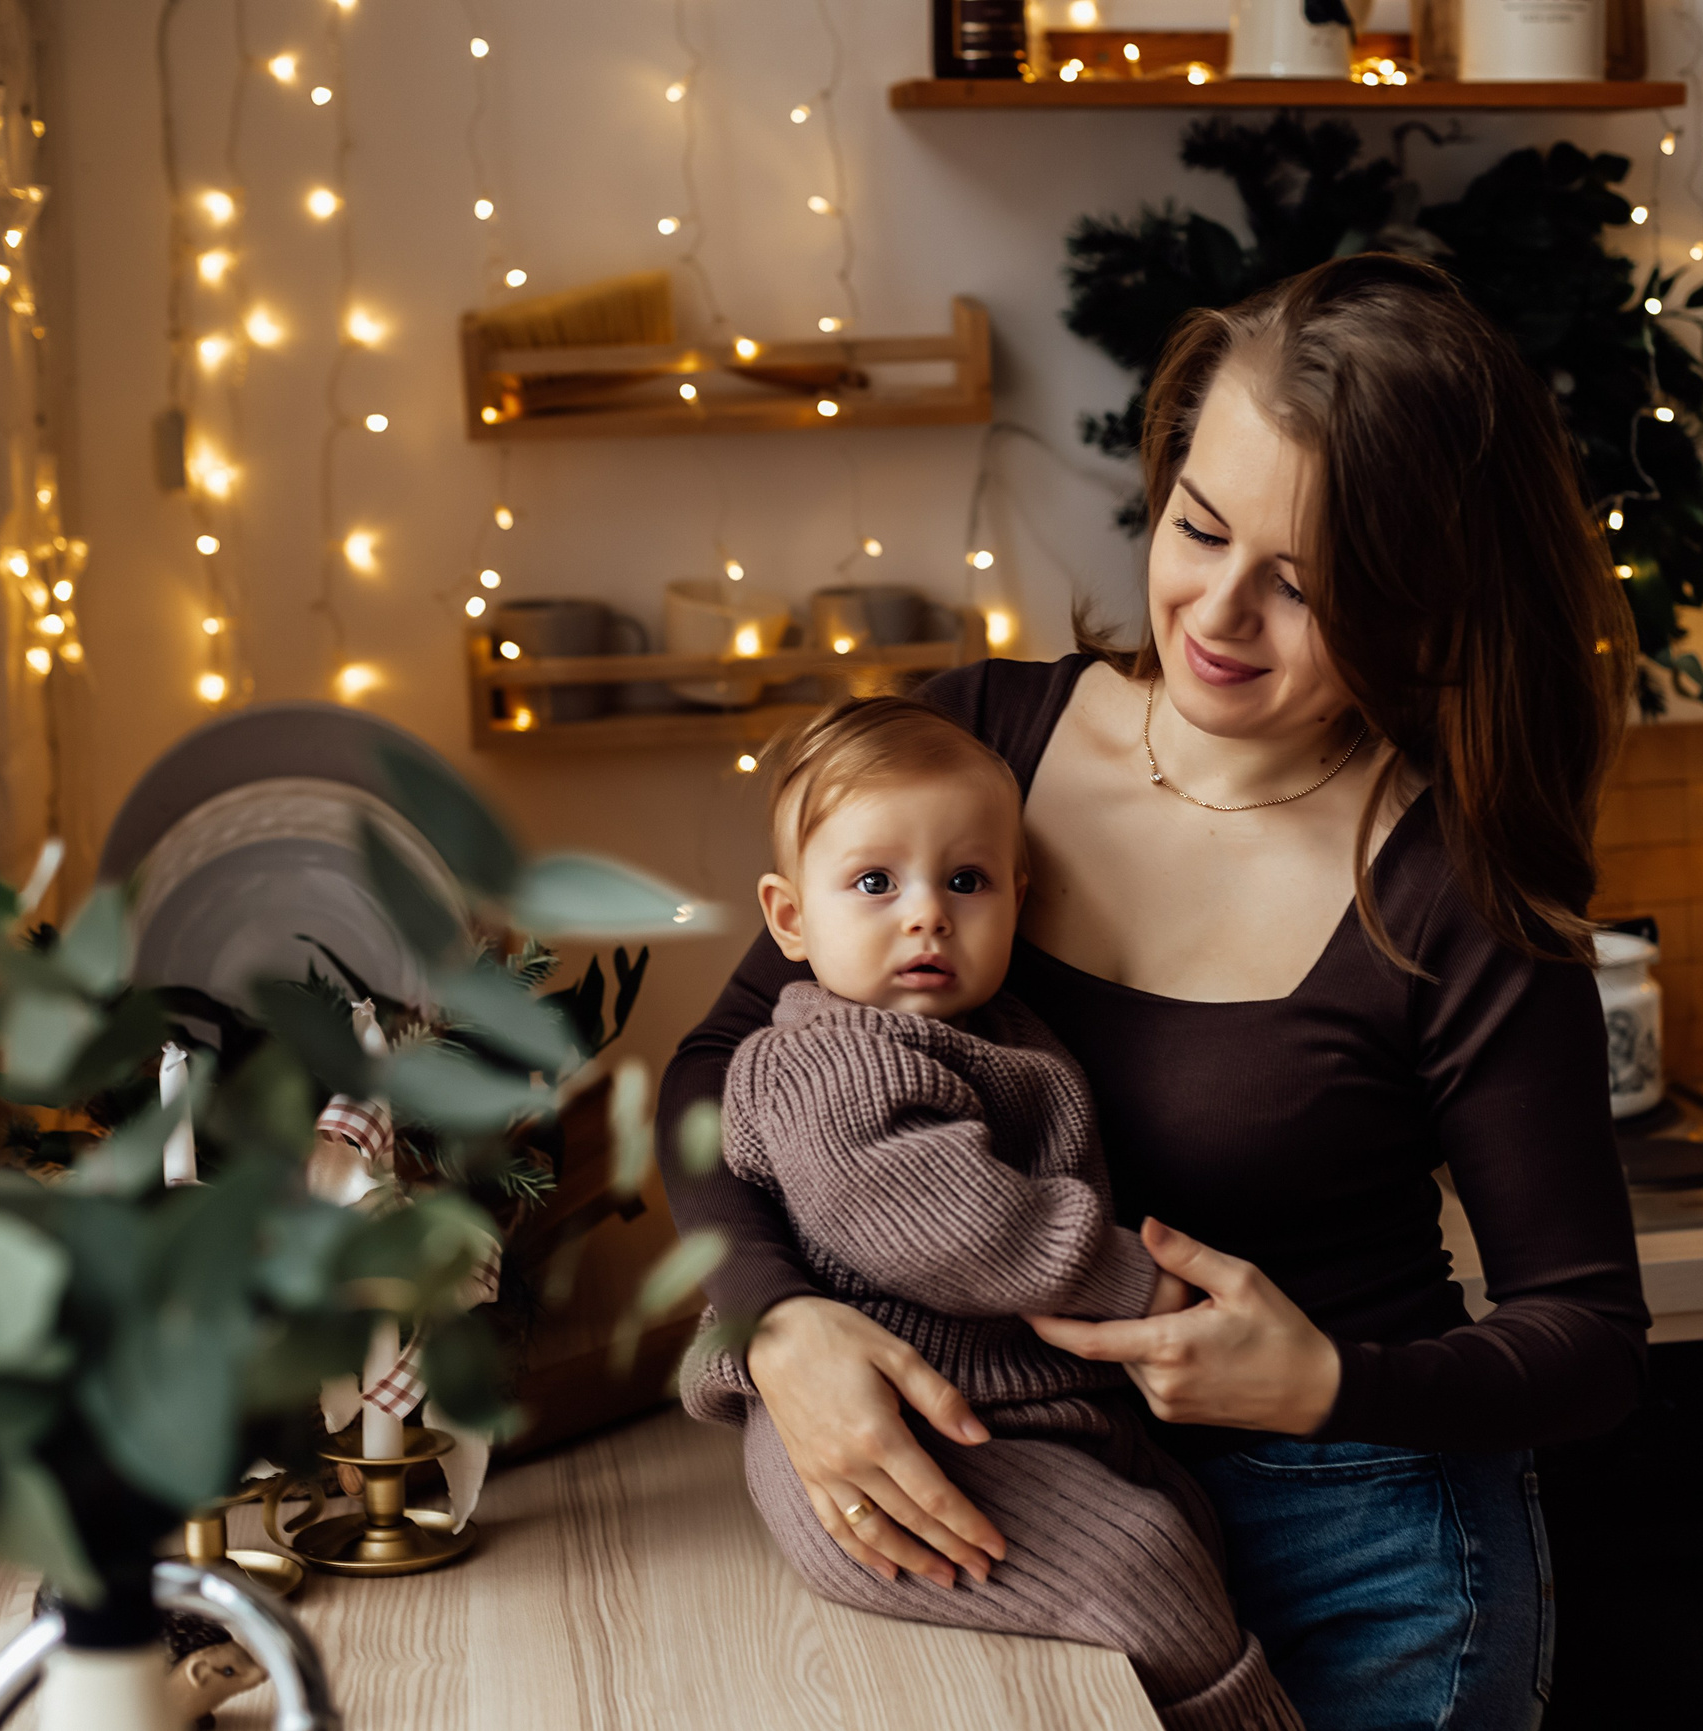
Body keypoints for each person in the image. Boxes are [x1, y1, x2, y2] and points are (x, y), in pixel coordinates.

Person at [659, 252, 1651, 1731]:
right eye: (1200, 524)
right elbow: (723, 1068)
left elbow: (1588, 1337)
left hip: (1366, 1551)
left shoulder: (1458, 896)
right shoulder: (977, 745)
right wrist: (775, 1323)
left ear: (1427, 603)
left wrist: (1331, 1378)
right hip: (1045, 1498)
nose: (1218, 614)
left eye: (1305, 588)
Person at [679, 697, 1302, 1731]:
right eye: (873, 884)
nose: (925, 914)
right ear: (789, 918)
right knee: (1142, 1569)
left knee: (1175, 1527)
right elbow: (939, 1219)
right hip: (895, 1441)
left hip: (1009, 1409)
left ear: (1020, 896)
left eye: (964, 882)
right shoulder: (823, 1054)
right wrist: (1130, 1280)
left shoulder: (991, 1029)